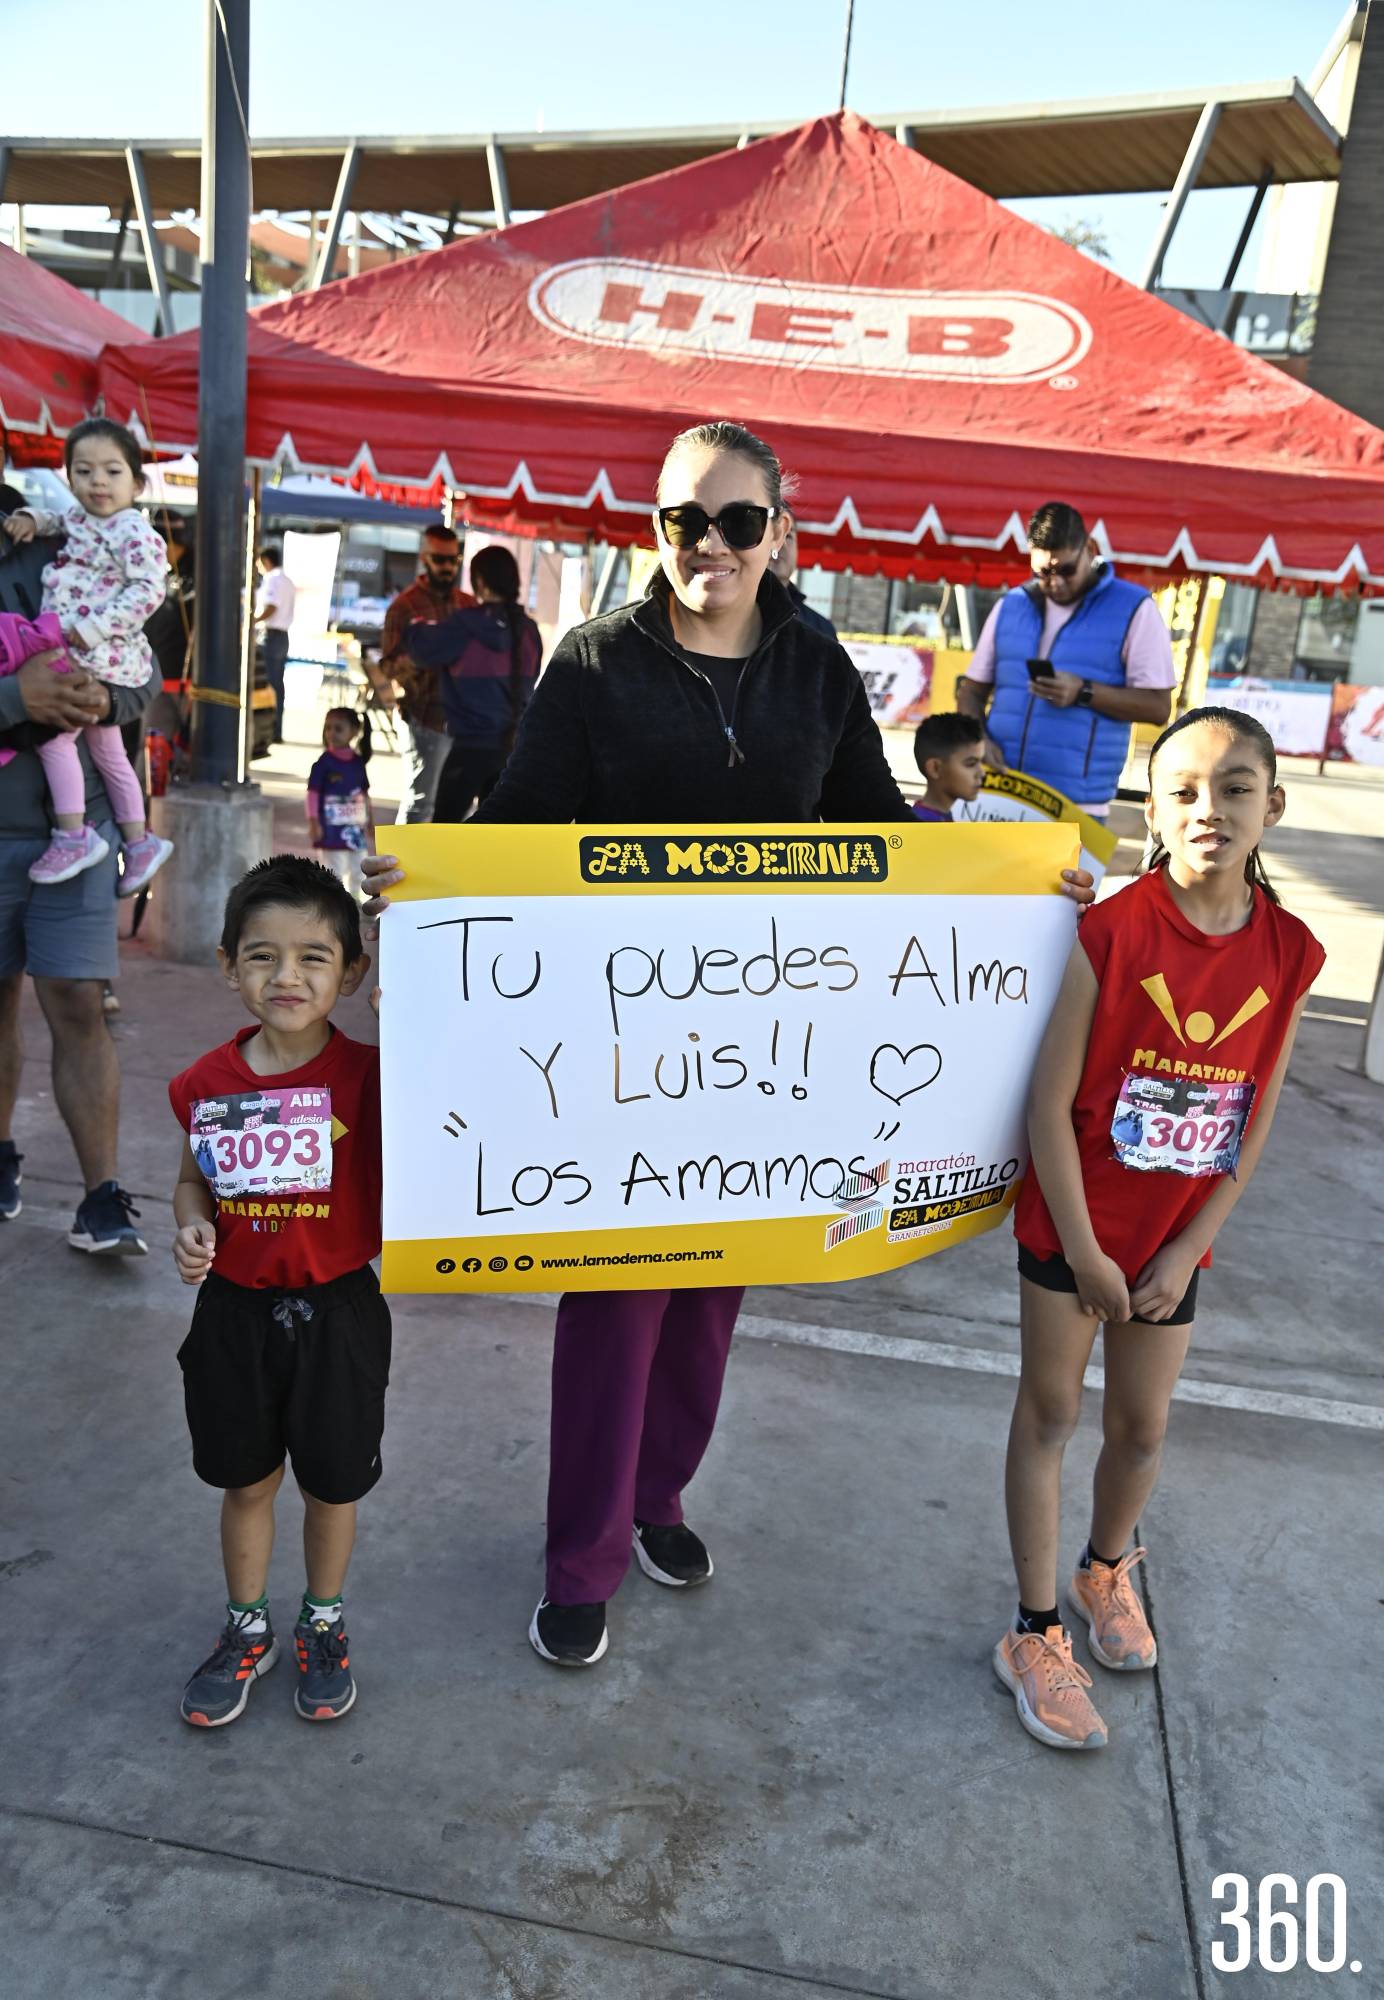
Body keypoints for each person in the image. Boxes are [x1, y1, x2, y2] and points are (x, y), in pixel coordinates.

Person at [363, 418, 1096, 1672]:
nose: (707, 543)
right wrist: (427, 881)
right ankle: (580, 1556)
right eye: (681, 520)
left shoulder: (816, 663)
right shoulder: (594, 660)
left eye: (735, 520)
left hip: (774, 1052)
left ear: (779, 530)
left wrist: (1022, 886)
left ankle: (660, 1501)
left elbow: (879, 837)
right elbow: (523, 827)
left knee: (712, 1295)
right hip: (620, 1046)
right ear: (655, 531)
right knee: (616, 1302)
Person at [994, 706, 1323, 1752]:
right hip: (1074, 1225)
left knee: (1139, 1428)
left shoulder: (1290, 949)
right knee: (1049, 1414)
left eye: (1233, 788)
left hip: (1174, 1239)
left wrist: (1186, 1246)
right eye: (1182, 789)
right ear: (1152, 808)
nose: (1208, 809)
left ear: (1271, 805)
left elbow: (1251, 1116)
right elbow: (1047, 1106)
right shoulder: (1114, 928)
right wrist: (1085, 1252)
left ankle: (1104, 1566)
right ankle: (1034, 1628)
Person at [168, 855, 386, 1728]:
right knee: (247, 1482)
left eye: (313, 957)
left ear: (353, 973)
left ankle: (322, 1622)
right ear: (227, 965)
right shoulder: (206, 1084)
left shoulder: (375, 1079)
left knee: (333, 1487)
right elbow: (190, 1181)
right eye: (261, 956)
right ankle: (245, 1625)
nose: (286, 976)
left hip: (341, 1311)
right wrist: (192, 1227)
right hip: (232, 1313)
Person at [0, 486, 156, 1251]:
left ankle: (101, 1197)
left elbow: (145, 666)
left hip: (80, 833)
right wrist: (11, 698)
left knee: (77, 1004)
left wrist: (112, 696)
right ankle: (1, 1158)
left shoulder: (64, 531)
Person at [2, 419, 174, 894]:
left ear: (137, 483)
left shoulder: (133, 531)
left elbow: (148, 590)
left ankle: (73, 834)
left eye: (112, 471)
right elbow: (59, 520)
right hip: (91, 649)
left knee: (56, 741)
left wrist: (91, 630)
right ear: (69, 477)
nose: (98, 481)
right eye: (84, 471)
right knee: (109, 752)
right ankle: (139, 841)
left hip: (100, 652)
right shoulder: (81, 519)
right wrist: (35, 519)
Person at [956, 502, 1174, 814]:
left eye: (1066, 570)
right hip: (998, 791)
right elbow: (971, 692)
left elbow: (1157, 707)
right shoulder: (1011, 604)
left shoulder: (1135, 608)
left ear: (1090, 548)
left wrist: (1084, 692)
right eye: (1042, 572)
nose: (1055, 582)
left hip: (1077, 805)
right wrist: (977, 741)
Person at [405, 544, 542, 823]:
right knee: (497, 838)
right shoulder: (529, 630)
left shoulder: (465, 625)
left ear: (479, 581)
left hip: (468, 750)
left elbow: (420, 650)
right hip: (512, 751)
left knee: (445, 831)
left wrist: (418, 623)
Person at [373, 523, 475, 824]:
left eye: (453, 560)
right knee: (421, 802)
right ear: (424, 559)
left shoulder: (467, 604)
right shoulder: (404, 606)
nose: (447, 567)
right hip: (423, 716)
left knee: (457, 804)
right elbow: (388, 665)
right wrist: (424, 654)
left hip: (464, 720)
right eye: (439, 560)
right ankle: (406, 870)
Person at [307, 707, 373, 889]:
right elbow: (312, 794)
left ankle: (356, 905)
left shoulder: (358, 763)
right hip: (330, 830)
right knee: (333, 871)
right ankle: (335, 909)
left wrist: (370, 822)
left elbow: (364, 795)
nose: (331, 733)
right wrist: (314, 822)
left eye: (338, 728)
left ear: (354, 731)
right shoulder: (323, 763)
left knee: (359, 868)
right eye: (328, 728)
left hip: (355, 830)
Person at [768, 508, 837, 638]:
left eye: (788, 536)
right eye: (773, 533)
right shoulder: (727, 616)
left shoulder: (820, 629)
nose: (780, 544)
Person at [253, 544, 296, 744]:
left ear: (265, 561)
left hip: (271, 636)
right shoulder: (286, 580)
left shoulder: (272, 579)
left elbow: (272, 606)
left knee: (268, 685)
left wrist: (253, 621)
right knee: (277, 685)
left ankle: (271, 730)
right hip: (282, 637)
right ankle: (276, 729)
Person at [911, 712, 986, 821]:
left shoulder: (940, 817)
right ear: (935, 768)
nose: (981, 773)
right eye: (970, 764)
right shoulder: (922, 828)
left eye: (981, 762)